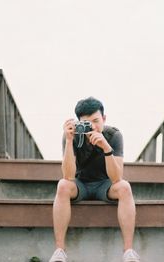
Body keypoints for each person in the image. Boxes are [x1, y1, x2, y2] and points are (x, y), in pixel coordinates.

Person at [49, 97, 140, 262]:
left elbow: (117, 177)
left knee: (125, 187)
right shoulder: (72, 136)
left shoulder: (114, 135)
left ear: (104, 119)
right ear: (78, 123)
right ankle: (60, 251)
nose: (93, 126)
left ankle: (128, 252)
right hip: (80, 184)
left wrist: (106, 147)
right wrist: (69, 141)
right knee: (62, 185)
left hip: (105, 185)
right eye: (86, 123)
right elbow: (68, 176)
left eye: (96, 121)